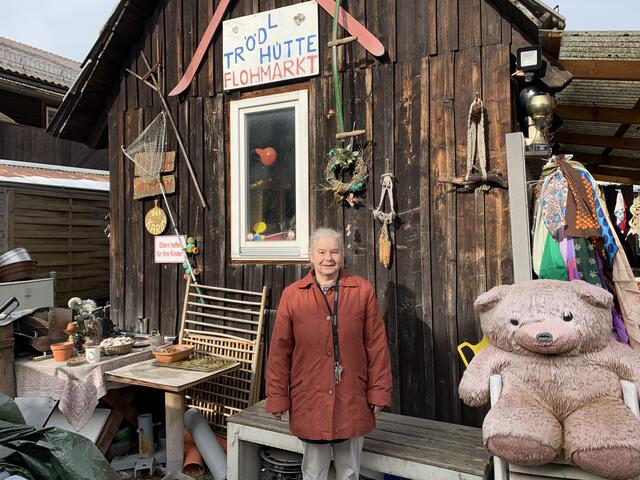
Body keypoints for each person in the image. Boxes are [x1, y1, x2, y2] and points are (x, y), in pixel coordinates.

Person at [266, 228, 392, 480]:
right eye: (322, 252)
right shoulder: (293, 295)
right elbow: (280, 352)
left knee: (349, 472)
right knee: (314, 471)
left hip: (352, 397)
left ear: (342, 255)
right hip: (309, 398)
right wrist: (277, 397)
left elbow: (376, 346)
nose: (328, 258)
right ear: (311, 256)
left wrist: (379, 392)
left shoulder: (362, 291)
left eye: (334, 251)